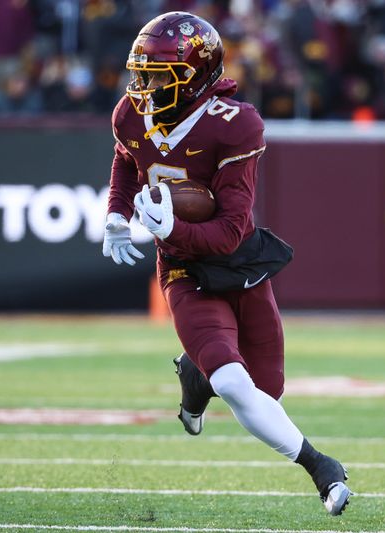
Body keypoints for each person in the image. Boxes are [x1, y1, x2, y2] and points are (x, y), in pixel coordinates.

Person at [101, 12, 352, 516]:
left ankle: (195, 376)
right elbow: (127, 159)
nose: (143, 86)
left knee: (266, 389)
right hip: (183, 272)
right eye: (141, 72)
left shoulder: (234, 125)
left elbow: (230, 232)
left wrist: (169, 227)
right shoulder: (131, 113)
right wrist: (115, 213)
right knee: (235, 383)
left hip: (236, 262)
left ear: (193, 76)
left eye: (157, 75)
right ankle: (322, 469)